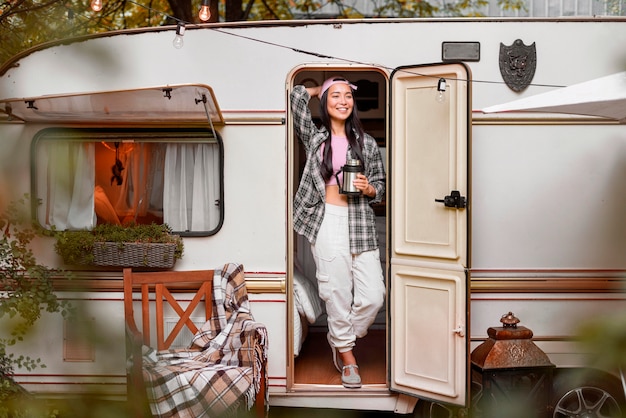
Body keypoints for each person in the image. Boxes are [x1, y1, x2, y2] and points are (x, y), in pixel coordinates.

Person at [291, 76, 386, 389]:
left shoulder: (367, 143)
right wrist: (321, 86)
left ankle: (340, 337)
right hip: (328, 221)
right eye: (336, 97)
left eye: (348, 96)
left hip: (359, 220)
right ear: (326, 104)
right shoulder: (315, 139)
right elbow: (296, 98)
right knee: (336, 293)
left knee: (374, 296)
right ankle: (347, 356)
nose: (343, 101)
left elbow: (381, 187)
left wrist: (370, 188)